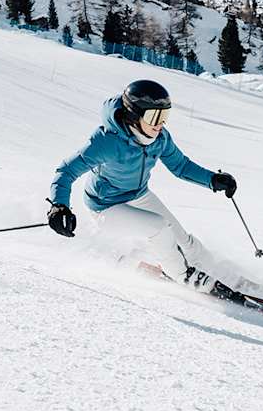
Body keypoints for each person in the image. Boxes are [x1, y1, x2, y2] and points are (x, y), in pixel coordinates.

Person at [48, 79, 240, 297]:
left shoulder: (160, 139)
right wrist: (59, 206)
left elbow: (180, 165)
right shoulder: (107, 142)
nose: (160, 124)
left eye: (164, 116)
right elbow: (66, 171)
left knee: (181, 238)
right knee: (157, 227)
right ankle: (183, 275)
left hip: (138, 194)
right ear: (133, 115)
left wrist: (212, 179)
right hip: (106, 206)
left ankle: (210, 267)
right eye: (154, 117)